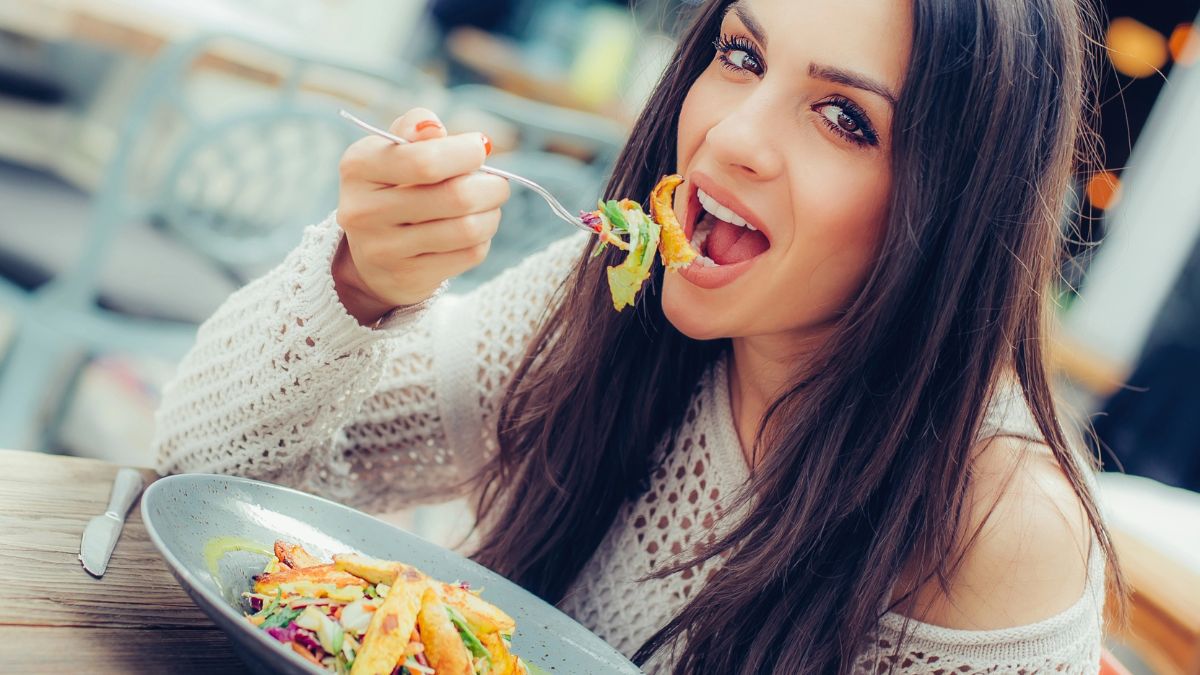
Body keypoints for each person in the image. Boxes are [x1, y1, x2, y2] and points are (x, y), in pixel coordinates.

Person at [154, 0, 1123, 672]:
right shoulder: (604, 304)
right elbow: (202, 480)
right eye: (740, 54)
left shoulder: (996, 523)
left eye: (842, 116)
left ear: (953, 207)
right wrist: (360, 283)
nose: (730, 135)